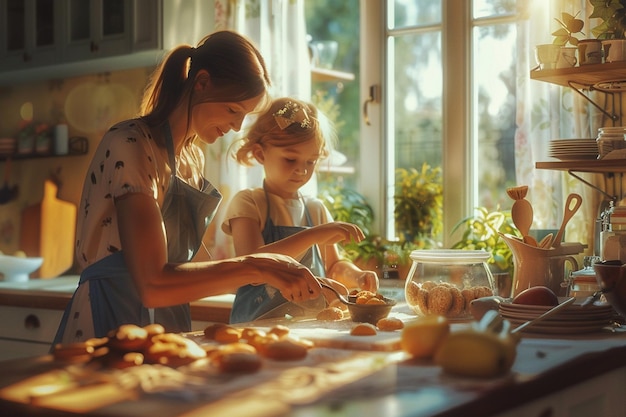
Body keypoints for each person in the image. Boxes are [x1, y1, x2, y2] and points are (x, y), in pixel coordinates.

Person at [52, 31, 325, 345]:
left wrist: (278, 272)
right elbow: (153, 284)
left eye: (244, 116)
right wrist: (256, 267)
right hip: (107, 319)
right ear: (202, 82)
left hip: (168, 324)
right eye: (233, 110)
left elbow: (191, 263)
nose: (237, 127)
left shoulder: (191, 159)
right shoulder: (131, 143)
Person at [222, 97, 379, 323]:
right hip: (254, 328)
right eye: (290, 159)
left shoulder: (315, 208)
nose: (302, 171)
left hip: (311, 326)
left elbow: (333, 266)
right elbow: (253, 265)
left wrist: (357, 276)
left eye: (310, 162)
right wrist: (314, 235)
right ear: (260, 154)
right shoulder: (248, 203)